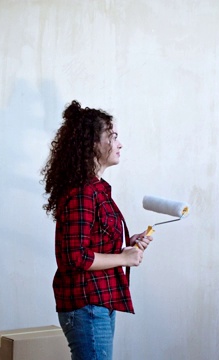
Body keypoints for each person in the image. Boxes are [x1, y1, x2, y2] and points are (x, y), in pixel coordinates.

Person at [41, 100, 153, 360]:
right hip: (87, 303)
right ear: (92, 143)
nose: (119, 143)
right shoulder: (82, 192)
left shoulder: (96, 188)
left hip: (99, 301)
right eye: (112, 136)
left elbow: (93, 240)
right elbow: (75, 256)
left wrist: (127, 243)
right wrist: (124, 258)